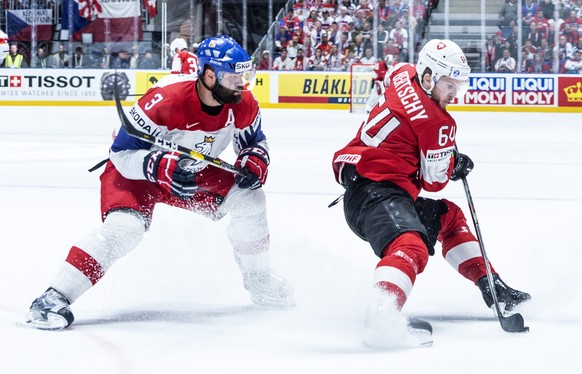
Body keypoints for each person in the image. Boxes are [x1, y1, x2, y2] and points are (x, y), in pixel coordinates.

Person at [22, 35, 295, 331]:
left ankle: (258, 279)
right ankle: (52, 297)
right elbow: (120, 153)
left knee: (251, 200)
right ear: (210, 74)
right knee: (125, 230)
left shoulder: (242, 103)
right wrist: (157, 165)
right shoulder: (165, 98)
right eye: (234, 76)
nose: (241, 83)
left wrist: (255, 158)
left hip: (191, 170)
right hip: (138, 172)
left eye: (244, 75)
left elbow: (253, 141)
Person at [331, 39, 530, 345]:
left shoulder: (403, 72)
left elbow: (389, 77)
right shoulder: (436, 123)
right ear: (428, 77)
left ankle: (494, 288)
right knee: (410, 245)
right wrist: (453, 162)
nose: (454, 94)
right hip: (375, 192)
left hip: (366, 183)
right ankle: (381, 317)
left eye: (458, 85)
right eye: (449, 85)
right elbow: (434, 181)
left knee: (449, 217)